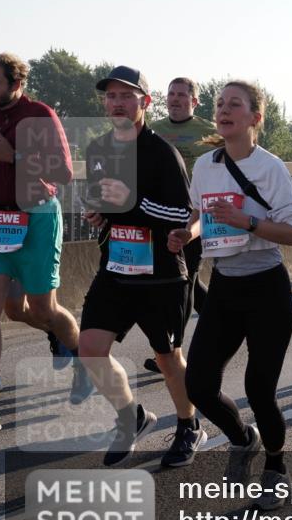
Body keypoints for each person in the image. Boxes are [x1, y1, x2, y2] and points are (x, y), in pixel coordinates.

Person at [172, 80, 292, 509]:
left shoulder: (271, 168)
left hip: (266, 287)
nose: (224, 110)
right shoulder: (206, 166)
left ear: (255, 118)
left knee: (259, 388)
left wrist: (247, 222)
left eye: (235, 104)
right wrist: (186, 233)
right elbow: (200, 216)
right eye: (220, 104)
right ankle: (243, 439)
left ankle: (276, 466)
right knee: (199, 385)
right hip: (226, 284)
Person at [78, 65, 200, 467]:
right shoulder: (98, 149)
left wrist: (132, 202)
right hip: (116, 266)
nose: (116, 103)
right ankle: (131, 416)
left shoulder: (162, 152)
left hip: (160, 271)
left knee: (167, 358)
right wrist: (96, 213)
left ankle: (188, 424)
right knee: (91, 350)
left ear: (144, 103)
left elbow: (181, 212)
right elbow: (101, 200)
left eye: (126, 96)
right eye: (111, 96)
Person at [0, 52, 90, 435]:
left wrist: (14, 156)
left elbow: (62, 171)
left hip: (38, 218)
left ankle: (80, 357)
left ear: (16, 83)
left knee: (44, 309)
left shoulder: (40, 115)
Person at [142, 77, 217, 375]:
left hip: (194, 217)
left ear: (194, 101)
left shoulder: (209, 133)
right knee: (189, 284)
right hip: (158, 218)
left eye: (182, 95)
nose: (175, 99)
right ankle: (223, 325)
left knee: (183, 282)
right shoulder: (153, 130)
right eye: (171, 94)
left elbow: (229, 164)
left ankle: (174, 350)